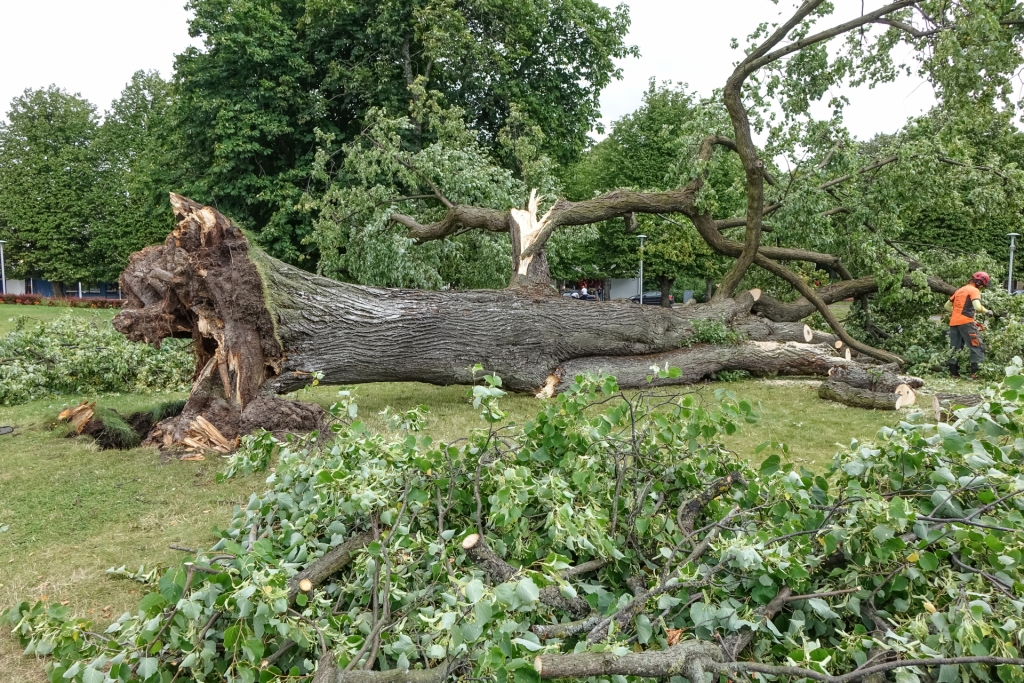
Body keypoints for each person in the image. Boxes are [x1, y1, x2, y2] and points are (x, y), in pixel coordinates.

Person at [945, 271, 991, 379]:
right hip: (966, 322)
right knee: (977, 346)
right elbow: (977, 307)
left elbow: (946, 306)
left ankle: (954, 373)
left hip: (954, 323)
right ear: (979, 283)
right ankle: (976, 373)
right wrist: (987, 311)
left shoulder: (960, 290)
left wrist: (957, 313)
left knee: (955, 347)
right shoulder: (974, 290)